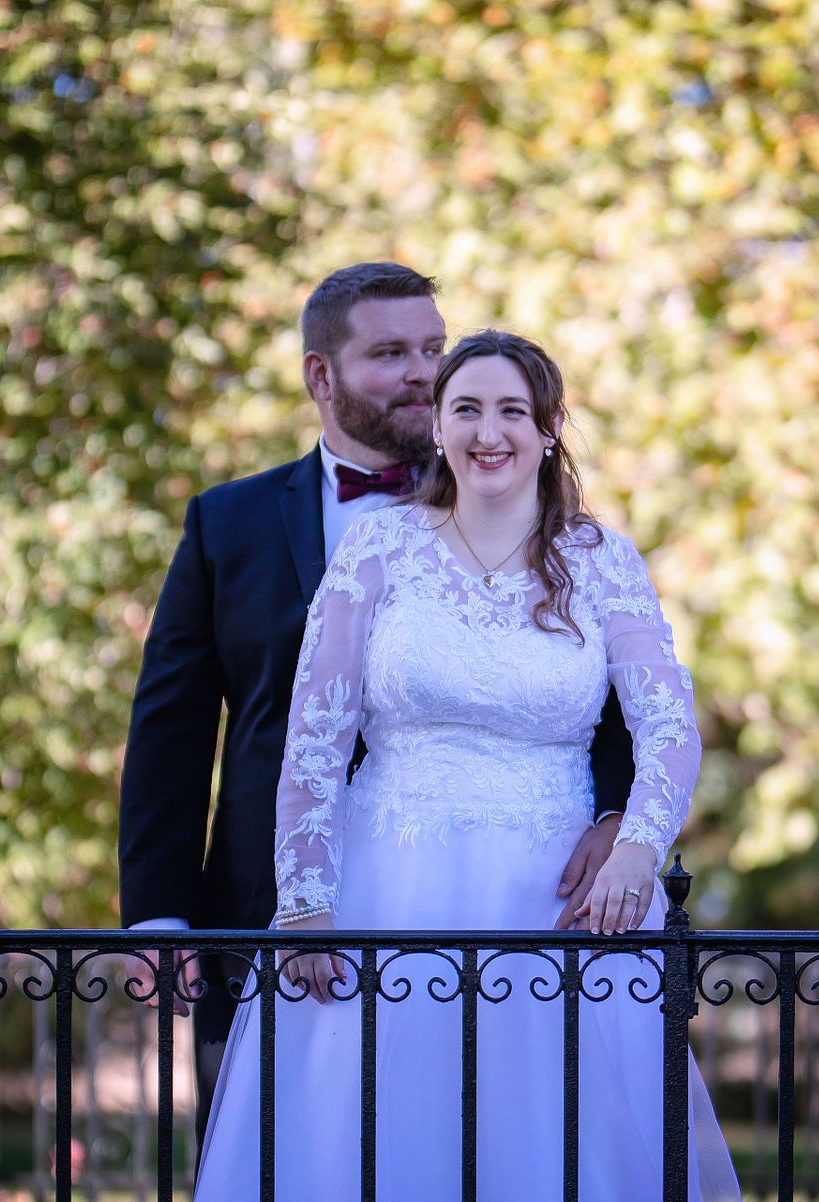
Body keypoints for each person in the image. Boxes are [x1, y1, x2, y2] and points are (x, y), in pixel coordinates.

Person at [73, 332, 819, 1202]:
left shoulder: (603, 559)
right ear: (441, 427)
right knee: (372, 1150)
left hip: (559, 909)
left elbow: (671, 727)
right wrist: (308, 903)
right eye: (465, 407)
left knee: (557, 1160)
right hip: (386, 892)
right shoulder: (376, 551)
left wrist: (636, 843)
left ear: (548, 428)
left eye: (511, 411)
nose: (486, 432)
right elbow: (315, 743)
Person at [119, 264, 634, 1148]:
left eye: (433, 348)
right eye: (390, 353)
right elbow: (171, 727)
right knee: (291, 1174)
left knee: (507, 1153)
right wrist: (161, 914)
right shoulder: (226, 525)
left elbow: (616, 699)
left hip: (507, 896)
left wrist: (620, 816)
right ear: (320, 375)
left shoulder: (528, 504)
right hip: (272, 910)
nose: (423, 373)